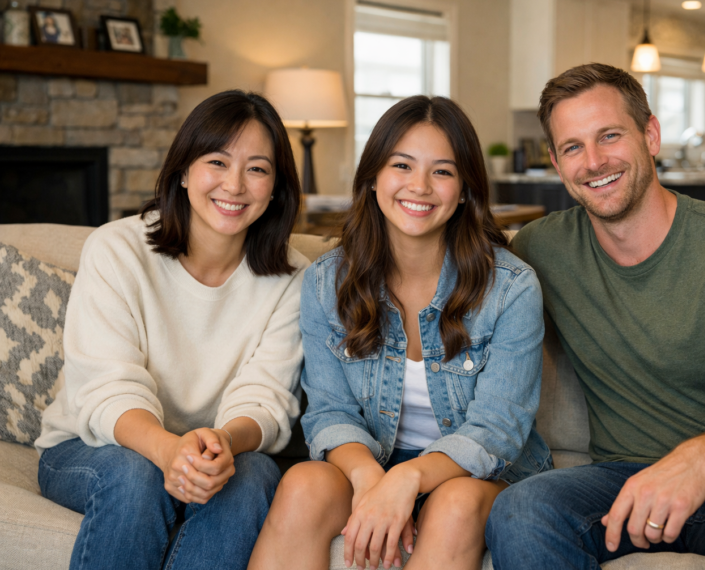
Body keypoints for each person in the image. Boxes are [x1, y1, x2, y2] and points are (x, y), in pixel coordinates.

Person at [485, 63, 705, 570]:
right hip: (622, 482)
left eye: (609, 135)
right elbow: (451, 283)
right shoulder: (541, 251)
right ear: (557, 163)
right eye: (573, 147)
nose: (593, 161)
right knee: (521, 509)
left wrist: (698, 459)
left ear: (650, 135)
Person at [249, 96, 552, 570]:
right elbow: (329, 412)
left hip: (478, 474)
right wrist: (373, 479)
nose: (420, 186)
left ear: (466, 189)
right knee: (302, 484)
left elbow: (497, 431)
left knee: (452, 508)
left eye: (443, 171)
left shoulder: (511, 288)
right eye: (402, 165)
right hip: (373, 460)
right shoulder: (326, 282)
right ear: (373, 177)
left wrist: (406, 479)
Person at [35, 90, 309, 570]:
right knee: (136, 474)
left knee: (254, 474)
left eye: (258, 169)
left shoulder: (295, 278)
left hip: (216, 452)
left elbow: (266, 397)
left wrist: (223, 444)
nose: (235, 185)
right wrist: (168, 451)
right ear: (184, 171)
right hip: (94, 446)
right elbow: (106, 389)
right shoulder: (116, 250)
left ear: (275, 188)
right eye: (217, 161)